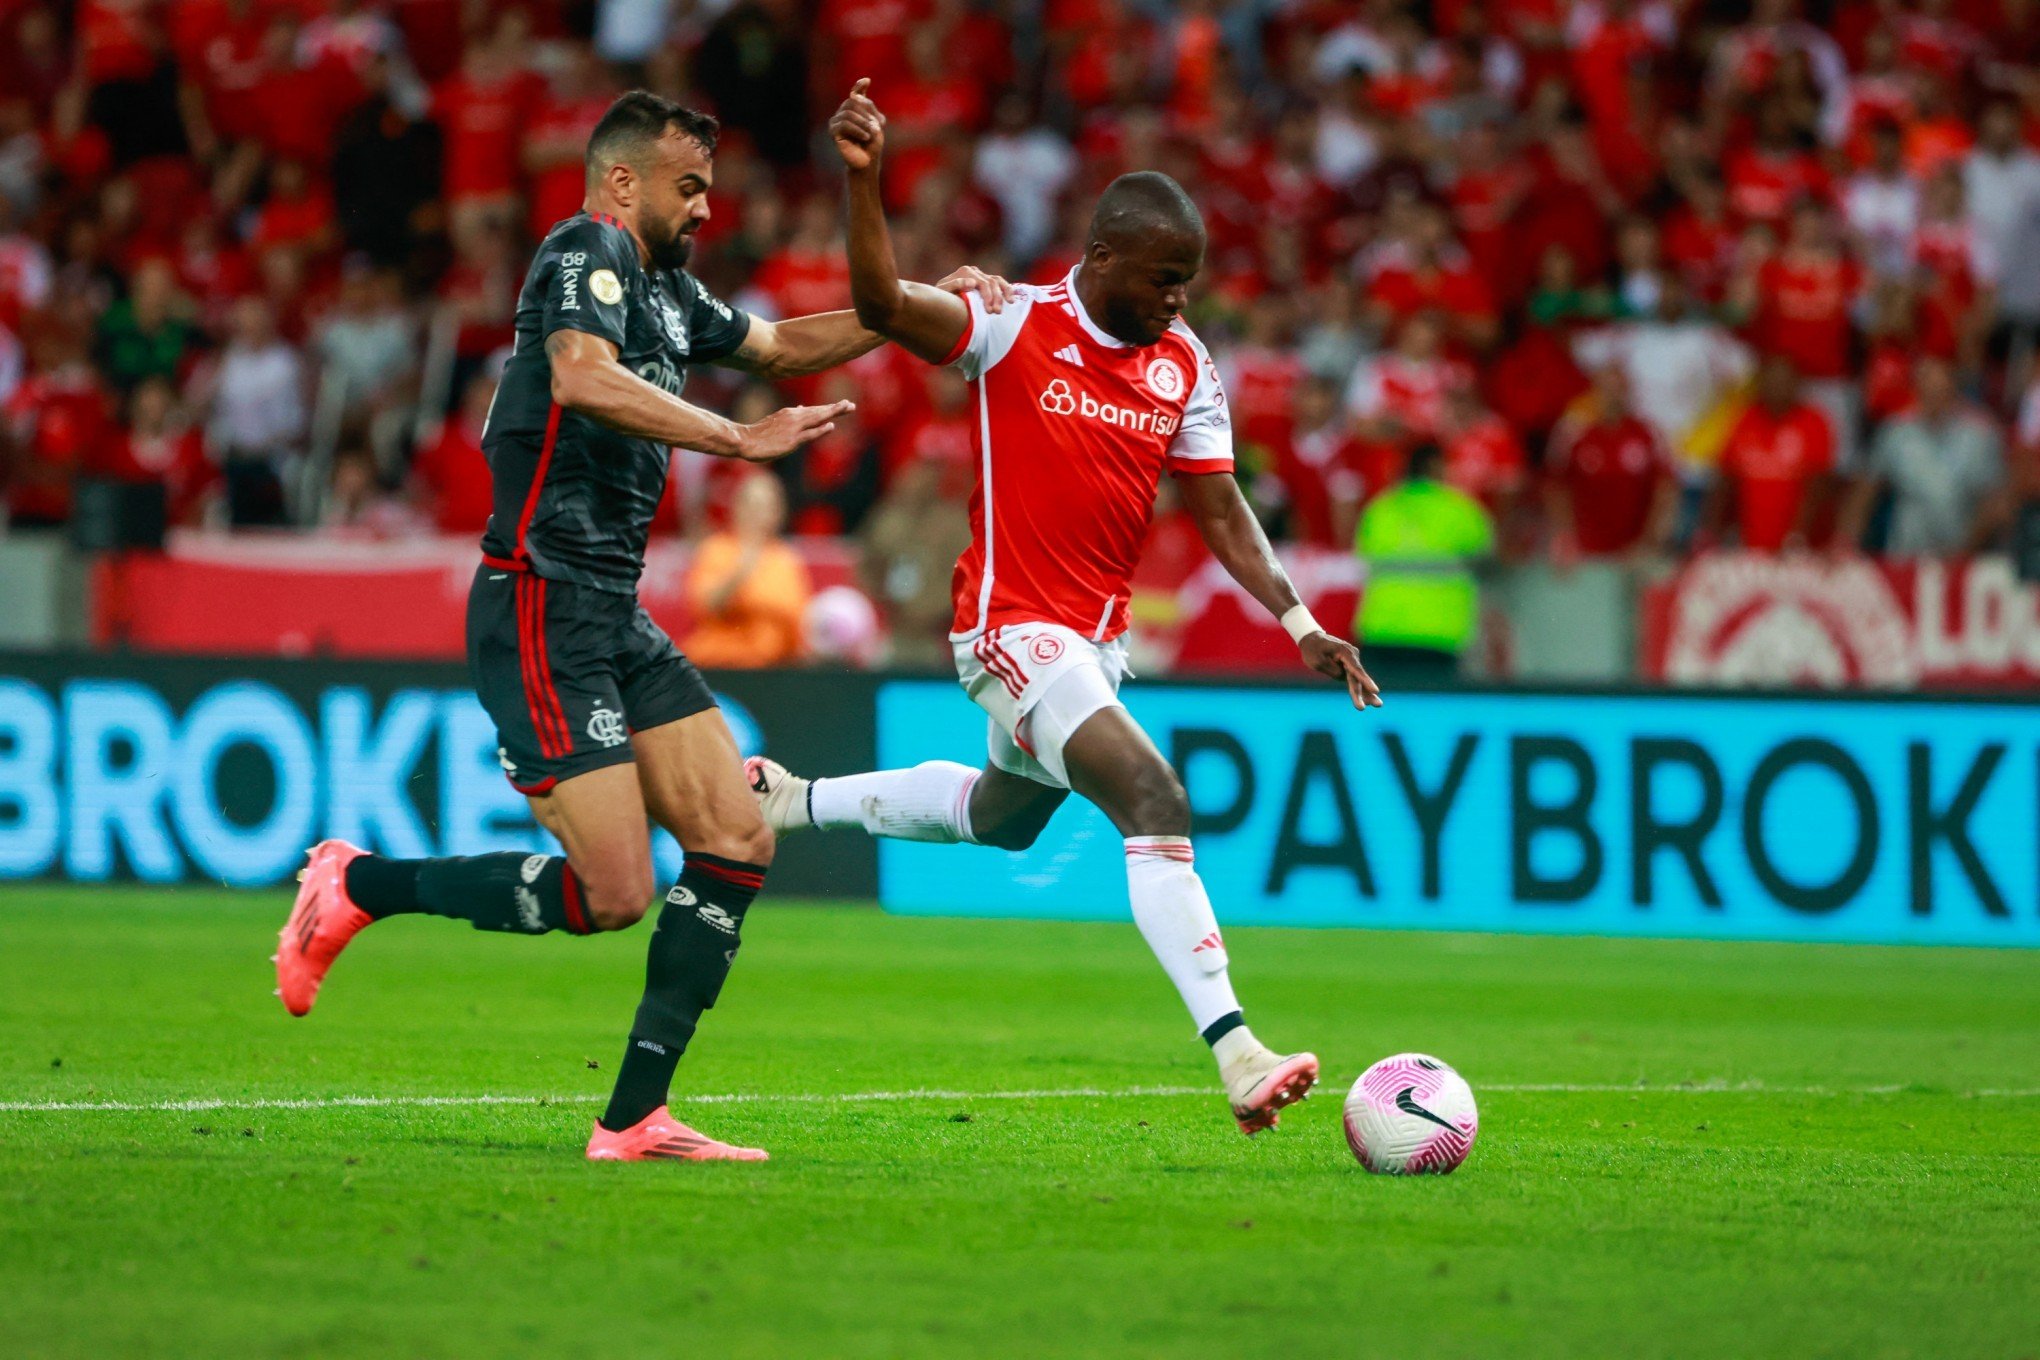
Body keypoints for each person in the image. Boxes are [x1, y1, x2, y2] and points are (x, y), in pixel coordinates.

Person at [274, 90, 1009, 1163]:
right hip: (539, 594)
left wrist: (917, 304)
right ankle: (357, 884)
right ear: (624, 180)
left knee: (737, 834)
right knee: (614, 893)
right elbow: (582, 378)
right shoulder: (583, 250)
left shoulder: (667, 291)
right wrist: (734, 439)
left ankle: (631, 1118)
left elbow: (786, 342)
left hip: (612, 608)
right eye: (689, 185)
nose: (706, 207)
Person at [746, 81, 1380, 1140]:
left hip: (1093, 641)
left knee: (1004, 818)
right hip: (1007, 626)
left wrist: (1301, 622)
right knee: (1153, 795)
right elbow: (882, 304)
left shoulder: (1184, 366)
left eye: (1190, 283)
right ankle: (1238, 1050)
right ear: (1102, 255)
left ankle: (787, 798)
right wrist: (864, 180)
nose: (1179, 300)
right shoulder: (1011, 321)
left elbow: (1221, 508)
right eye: (1163, 279)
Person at [1351, 441, 1494, 682]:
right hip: (1438, 632)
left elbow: (1361, 557)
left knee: (1379, 710)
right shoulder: (1462, 510)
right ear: (1437, 468)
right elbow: (1488, 561)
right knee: (1429, 713)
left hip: (1381, 628)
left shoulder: (1380, 509)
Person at [1839, 356, 2008, 556]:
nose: (1934, 399)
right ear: (1916, 390)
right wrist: (1845, 542)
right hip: (1907, 556)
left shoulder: (1980, 435)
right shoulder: (1895, 433)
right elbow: (1865, 491)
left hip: (1962, 556)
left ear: (1954, 389)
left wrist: (1966, 549)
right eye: (1928, 390)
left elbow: (1995, 502)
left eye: (1941, 391)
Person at [683, 470, 811, 667]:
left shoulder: (785, 559)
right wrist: (740, 573)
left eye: (766, 506)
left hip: (774, 668)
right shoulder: (716, 549)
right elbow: (706, 606)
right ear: (736, 507)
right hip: (721, 664)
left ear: (778, 513)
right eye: (751, 505)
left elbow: (797, 620)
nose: (756, 514)